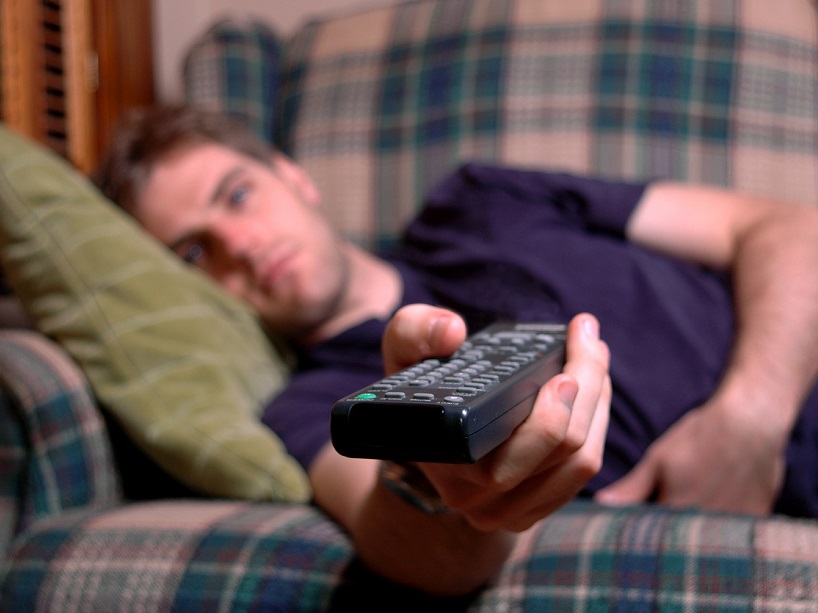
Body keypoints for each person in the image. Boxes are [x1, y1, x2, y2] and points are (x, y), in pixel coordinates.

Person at [93, 105, 818, 597]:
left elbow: (787, 227)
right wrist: (429, 475)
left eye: (239, 195)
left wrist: (753, 411)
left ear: (293, 176)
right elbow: (421, 556)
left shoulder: (480, 200)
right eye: (196, 251)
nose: (241, 247)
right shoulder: (314, 404)